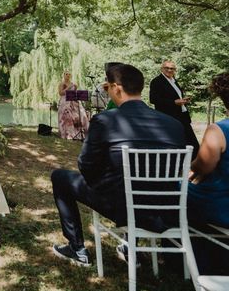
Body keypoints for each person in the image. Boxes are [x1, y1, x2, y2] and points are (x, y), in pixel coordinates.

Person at [50, 64, 185, 267]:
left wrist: (105, 182)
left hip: (120, 206)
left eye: (108, 87)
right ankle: (130, 246)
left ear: (116, 88)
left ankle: (77, 248)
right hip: (163, 209)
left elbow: (86, 165)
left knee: (60, 177)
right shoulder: (174, 125)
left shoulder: (105, 120)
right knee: (136, 185)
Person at [188, 72, 229, 227]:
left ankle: (174, 248)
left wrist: (190, 169)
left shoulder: (219, 130)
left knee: (173, 190)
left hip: (222, 205)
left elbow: (203, 166)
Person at [150, 60, 200, 158]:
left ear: (175, 70)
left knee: (192, 144)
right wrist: (174, 102)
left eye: (172, 68)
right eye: (167, 68)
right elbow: (153, 99)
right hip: (169, 118)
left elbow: (174, 96)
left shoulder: (174, 80)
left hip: (182, 116)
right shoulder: (157, 81)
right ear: (161, 69)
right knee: (179, 144)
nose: (169, 70)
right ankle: (183, 166)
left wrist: (182, 100)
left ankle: (193, 166)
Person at [57, 71, 89, 140]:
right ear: (64, 75)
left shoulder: (74, 84)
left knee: (81, 114)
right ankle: (68, 134)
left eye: (69, 74)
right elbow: (60, 93)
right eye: (66, 74)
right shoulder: (62, 84)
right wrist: (68, 88)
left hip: (73, 101)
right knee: (67, 115)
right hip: (64, 101)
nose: (67, 75)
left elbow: (75, 94)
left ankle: (81, 133)